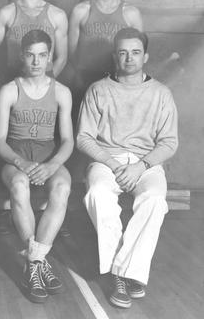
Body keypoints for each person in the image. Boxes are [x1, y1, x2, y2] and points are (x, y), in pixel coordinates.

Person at [77, 27, 178, 309]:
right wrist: (111, 163)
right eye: (123, 52)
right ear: (114, 56)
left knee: (155, 200)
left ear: (145, 56)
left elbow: (169, 142)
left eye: (135, 52)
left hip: (146, 163)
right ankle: (121, 274)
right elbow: (83, 137)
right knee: (97, 192)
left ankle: (125, 271)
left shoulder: (161, 93)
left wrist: (141, 165)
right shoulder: (98, 90)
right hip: (106, 160)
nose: (129, 58)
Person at [0, 30, 73, 303]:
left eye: (42, 55)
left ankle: (34, 262)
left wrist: (52, 166)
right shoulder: (9, 90)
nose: (36, 61)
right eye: (30, 55)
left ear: (50, 57)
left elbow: (67, 141)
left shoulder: (61, 92)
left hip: (47, 155)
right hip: (15, 155)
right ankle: (38, 264)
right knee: (18, 184)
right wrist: (20, 162)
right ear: (22, 57)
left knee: (62, 186)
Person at [68, 0, 143, 99]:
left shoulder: (131, 13)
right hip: (85, 83)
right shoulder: (80, 11)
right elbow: (71, 54)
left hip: (118, 83)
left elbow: (138, 56)